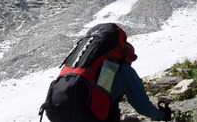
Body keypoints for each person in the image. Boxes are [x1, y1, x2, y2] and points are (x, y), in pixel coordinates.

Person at [39, 23, 171, 122]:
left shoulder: (86, 63)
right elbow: (142, 106)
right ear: (125, 55)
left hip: (59, 112)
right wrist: (163, 116)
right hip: (89, 116)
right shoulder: (121, 69)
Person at [109, 41, 171, 121]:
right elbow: (141, 105)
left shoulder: (104, 65)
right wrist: (162, 115)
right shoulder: (124, 70)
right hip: (101, 114)